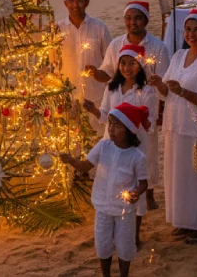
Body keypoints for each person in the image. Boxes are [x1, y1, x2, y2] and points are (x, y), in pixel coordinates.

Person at [148, 9, 197, 244]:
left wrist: (182, 91)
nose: (191, 34)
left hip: (195, 127)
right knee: (176, 176)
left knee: (196, 178)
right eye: (188, 29)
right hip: (174, 123)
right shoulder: (179, 55)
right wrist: (160, 84)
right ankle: (182, 221)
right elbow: (167, 91)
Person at [88, 0, 170, 208]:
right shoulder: (116, 44)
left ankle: (148, 192)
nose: (132, 22)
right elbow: (108, 71)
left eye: (137, 18)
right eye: (128, 18)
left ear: (146, 20)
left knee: (147, 152)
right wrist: (95, 73)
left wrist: (157, 111)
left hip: (145, 106)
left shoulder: (158, 47)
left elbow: (164, 80)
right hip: (120, 103)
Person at [61, 103, 149, 277]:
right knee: (103, 243)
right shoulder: (103, 146)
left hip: (124, 209)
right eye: (110, 124)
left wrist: (136, 193)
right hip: (102, 205)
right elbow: (85, 165)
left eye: (117, 126)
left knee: (125, 245)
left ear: (129, 130)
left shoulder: (137, 157)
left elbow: (143, 182)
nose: (111, 129)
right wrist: (71, 161)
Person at [85, 44, 157, 248]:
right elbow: (106, 115)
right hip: (111, 143)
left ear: (140, 65)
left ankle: (134, 234)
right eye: (123, 63)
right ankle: (111, 227)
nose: (127, 68)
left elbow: (150, 121)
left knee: (133, 185)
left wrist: (138, 121)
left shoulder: (147, 91)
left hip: (135, 145)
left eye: (132, 63)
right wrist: (94, 111)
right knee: (111, 182)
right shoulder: (111, 87)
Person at [56, 0, 112, 135]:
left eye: (80, 0)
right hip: (67, 97)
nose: (75, 5)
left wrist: (97, 72)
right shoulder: (57, 29)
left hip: (95, 96)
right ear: (65, 3)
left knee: (98, 137)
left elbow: (111, 63)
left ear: (87, 2)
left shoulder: (100, 27)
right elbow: (52, 63)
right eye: (71, 0)